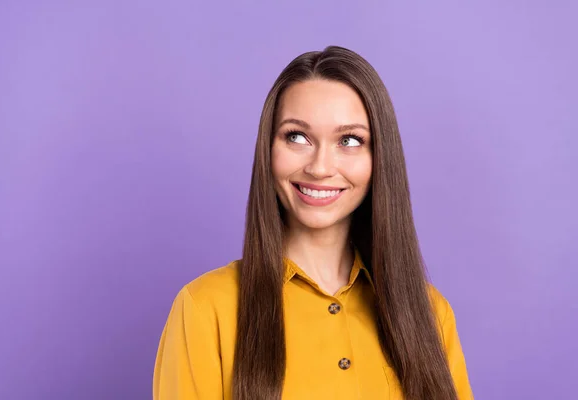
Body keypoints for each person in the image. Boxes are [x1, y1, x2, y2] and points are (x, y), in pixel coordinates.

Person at [153, 45, 473, 400]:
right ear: (268, 148)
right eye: (297, 137)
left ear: (379, 157)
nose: (320, 167)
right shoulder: (204, 308)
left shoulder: (429, 314)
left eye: (349, 141)